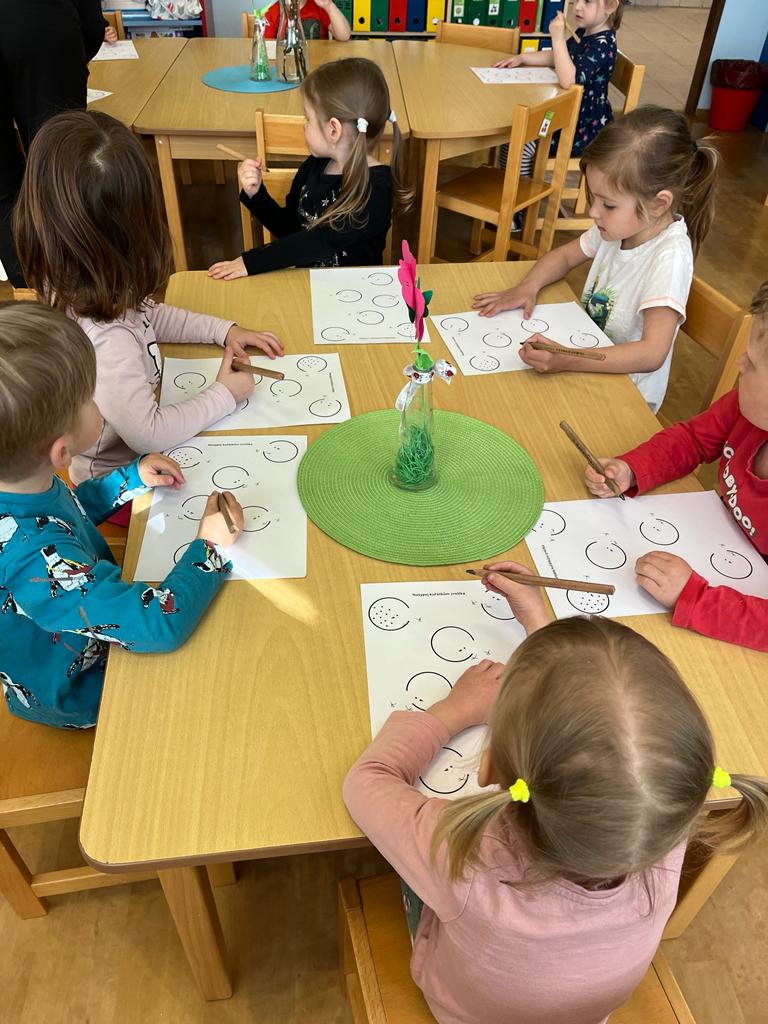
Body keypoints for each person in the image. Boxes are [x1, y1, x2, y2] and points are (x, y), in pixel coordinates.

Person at [344, 563, 768, 1024]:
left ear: (489, 767)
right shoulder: (664, 824)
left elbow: (367, 780)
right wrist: (540, 627)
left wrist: (454, 710)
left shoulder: (462, 854)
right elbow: (605, 746)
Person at [13, 110, 284, 493]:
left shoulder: (82, 281)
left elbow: (146, 314)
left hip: (147, 456)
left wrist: (223, 330)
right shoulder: (107, 338)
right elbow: (150, 434)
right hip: (120, 488)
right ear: (135, 227)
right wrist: (226, 394)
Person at [0, 302, 243, 729]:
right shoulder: (34, 559)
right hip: (82, 689)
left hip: (87, 612)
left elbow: (65, 514)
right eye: (90, 398)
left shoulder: (20, 481)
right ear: (62, 451)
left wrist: (127, 479)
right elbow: (159, 624)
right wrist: (210, 547)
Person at [473, 106, 719, 414]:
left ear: (658, 204)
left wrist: (569, 358)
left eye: (608, 205)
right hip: (585, 360)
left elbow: (652, 353)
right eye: (593, 197)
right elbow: (565, 256)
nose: (593, 212)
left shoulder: (669, 258)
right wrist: (528, 286)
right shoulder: (620, 227)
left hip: (625, 398)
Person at [585, 281, 768, 652]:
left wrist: (694, 596)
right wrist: (632, 468)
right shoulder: (748, 408)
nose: (739, 362)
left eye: (752, 362)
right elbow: (694, 440)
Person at [208, 58, 412, 279]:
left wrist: (251, 262)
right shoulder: (314, 165)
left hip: (357, 293)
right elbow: (290, 230)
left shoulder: (377, 188)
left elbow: (320, 241)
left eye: (308, 118)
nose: (304, 125)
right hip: (307, 285)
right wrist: (256, 195)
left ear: (333, 130)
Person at [0, 0, 107, 287]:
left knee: (2, 187)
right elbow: (92, 26)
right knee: (61, 169)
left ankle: (31, 291)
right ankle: (81, 289)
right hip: (41, 22)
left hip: (39, 26)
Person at [494, 0, 622, 174]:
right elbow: (559, 57)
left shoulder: (603, 45)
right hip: (564, 113)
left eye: (587, 1)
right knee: (515, 133)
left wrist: (558, 38)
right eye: (576, 0)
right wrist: (522, 58)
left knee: (521, 138)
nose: (577, 7)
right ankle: (512, 180)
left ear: (609, 6)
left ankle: (519, 186)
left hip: (580, 129)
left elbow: (570, 80)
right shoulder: (584, 31)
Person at [262, 0, 351, 41]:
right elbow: (267, 46)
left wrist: (329, 5)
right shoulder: (273, 10)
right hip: (287, 62)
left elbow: (344, 36)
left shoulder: (319, 6)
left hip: (318, 61)